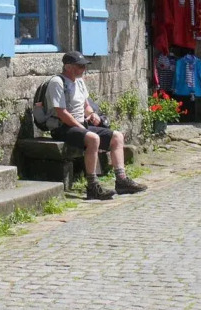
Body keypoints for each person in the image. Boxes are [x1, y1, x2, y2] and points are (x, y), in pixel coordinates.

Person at [32, 51, 146, 201]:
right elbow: (61, 113)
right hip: (62, 127)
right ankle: (92, 186)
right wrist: (81, 127)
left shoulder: (79, 81)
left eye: (84, 66)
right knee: (93, 138)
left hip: (80, 125)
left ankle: (122, 180)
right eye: (80, 66)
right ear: (68, 67)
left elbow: (86, 105)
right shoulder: (57, 83)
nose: (83, 69)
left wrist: (92, 114)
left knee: (117, 136)